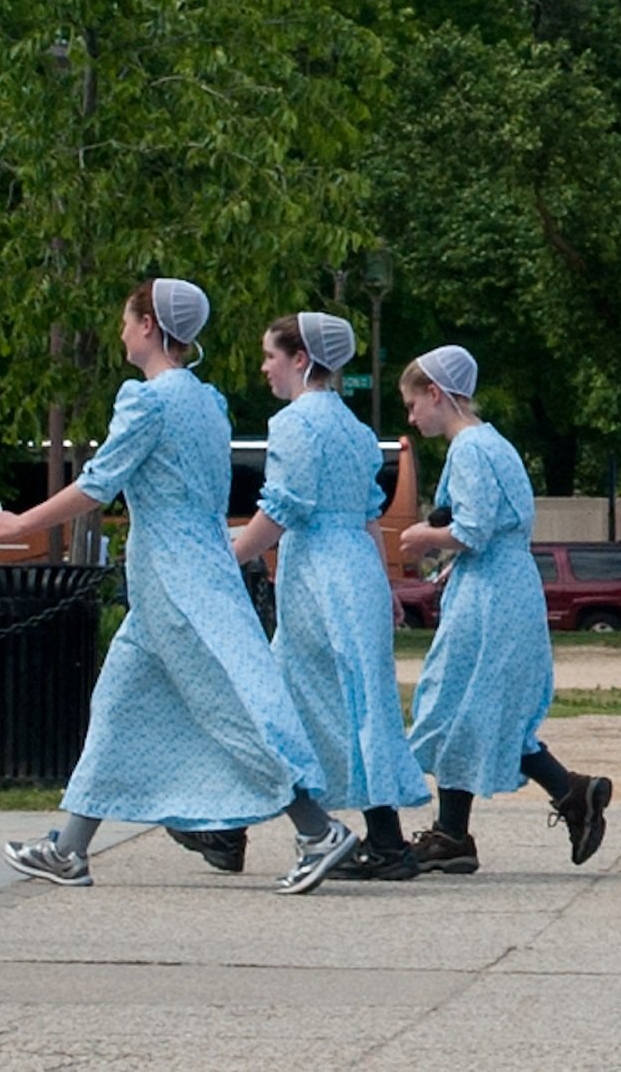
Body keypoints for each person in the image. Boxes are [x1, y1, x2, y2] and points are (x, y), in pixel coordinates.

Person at [0, 279, 354, 894]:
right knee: (118, 708)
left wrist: (20, 523)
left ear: (150, 325)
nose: (121, 331)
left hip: (178, 585)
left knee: (233, 709)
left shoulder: (148, 402)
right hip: (178, 579)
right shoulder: (206, 402)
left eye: (128, 320)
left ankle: (318, 831)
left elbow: (99, 484)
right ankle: (70, 849)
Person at [224, 312, 430, 882]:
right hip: (355, 570)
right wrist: (385, 582)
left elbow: (281, 512)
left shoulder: (295, 424)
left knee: (284, 695)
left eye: (270, 355)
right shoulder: (354, 428)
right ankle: (381, 836)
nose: (264, 367)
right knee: (358, 699)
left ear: (300, 359)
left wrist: (224, 558)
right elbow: (368, 513)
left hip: (318, 574)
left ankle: (231, 824)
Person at [393, 345, 612, 875]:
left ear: (436, 394)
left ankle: (557, 795)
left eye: (412, 402)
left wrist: (425, 537)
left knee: (457, 702)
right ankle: (465, 829)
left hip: (489, 591)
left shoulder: (469, 449)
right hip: (506, 585)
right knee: (473, 707)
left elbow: (473, 530)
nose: (411, 416)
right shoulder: (494, 444)